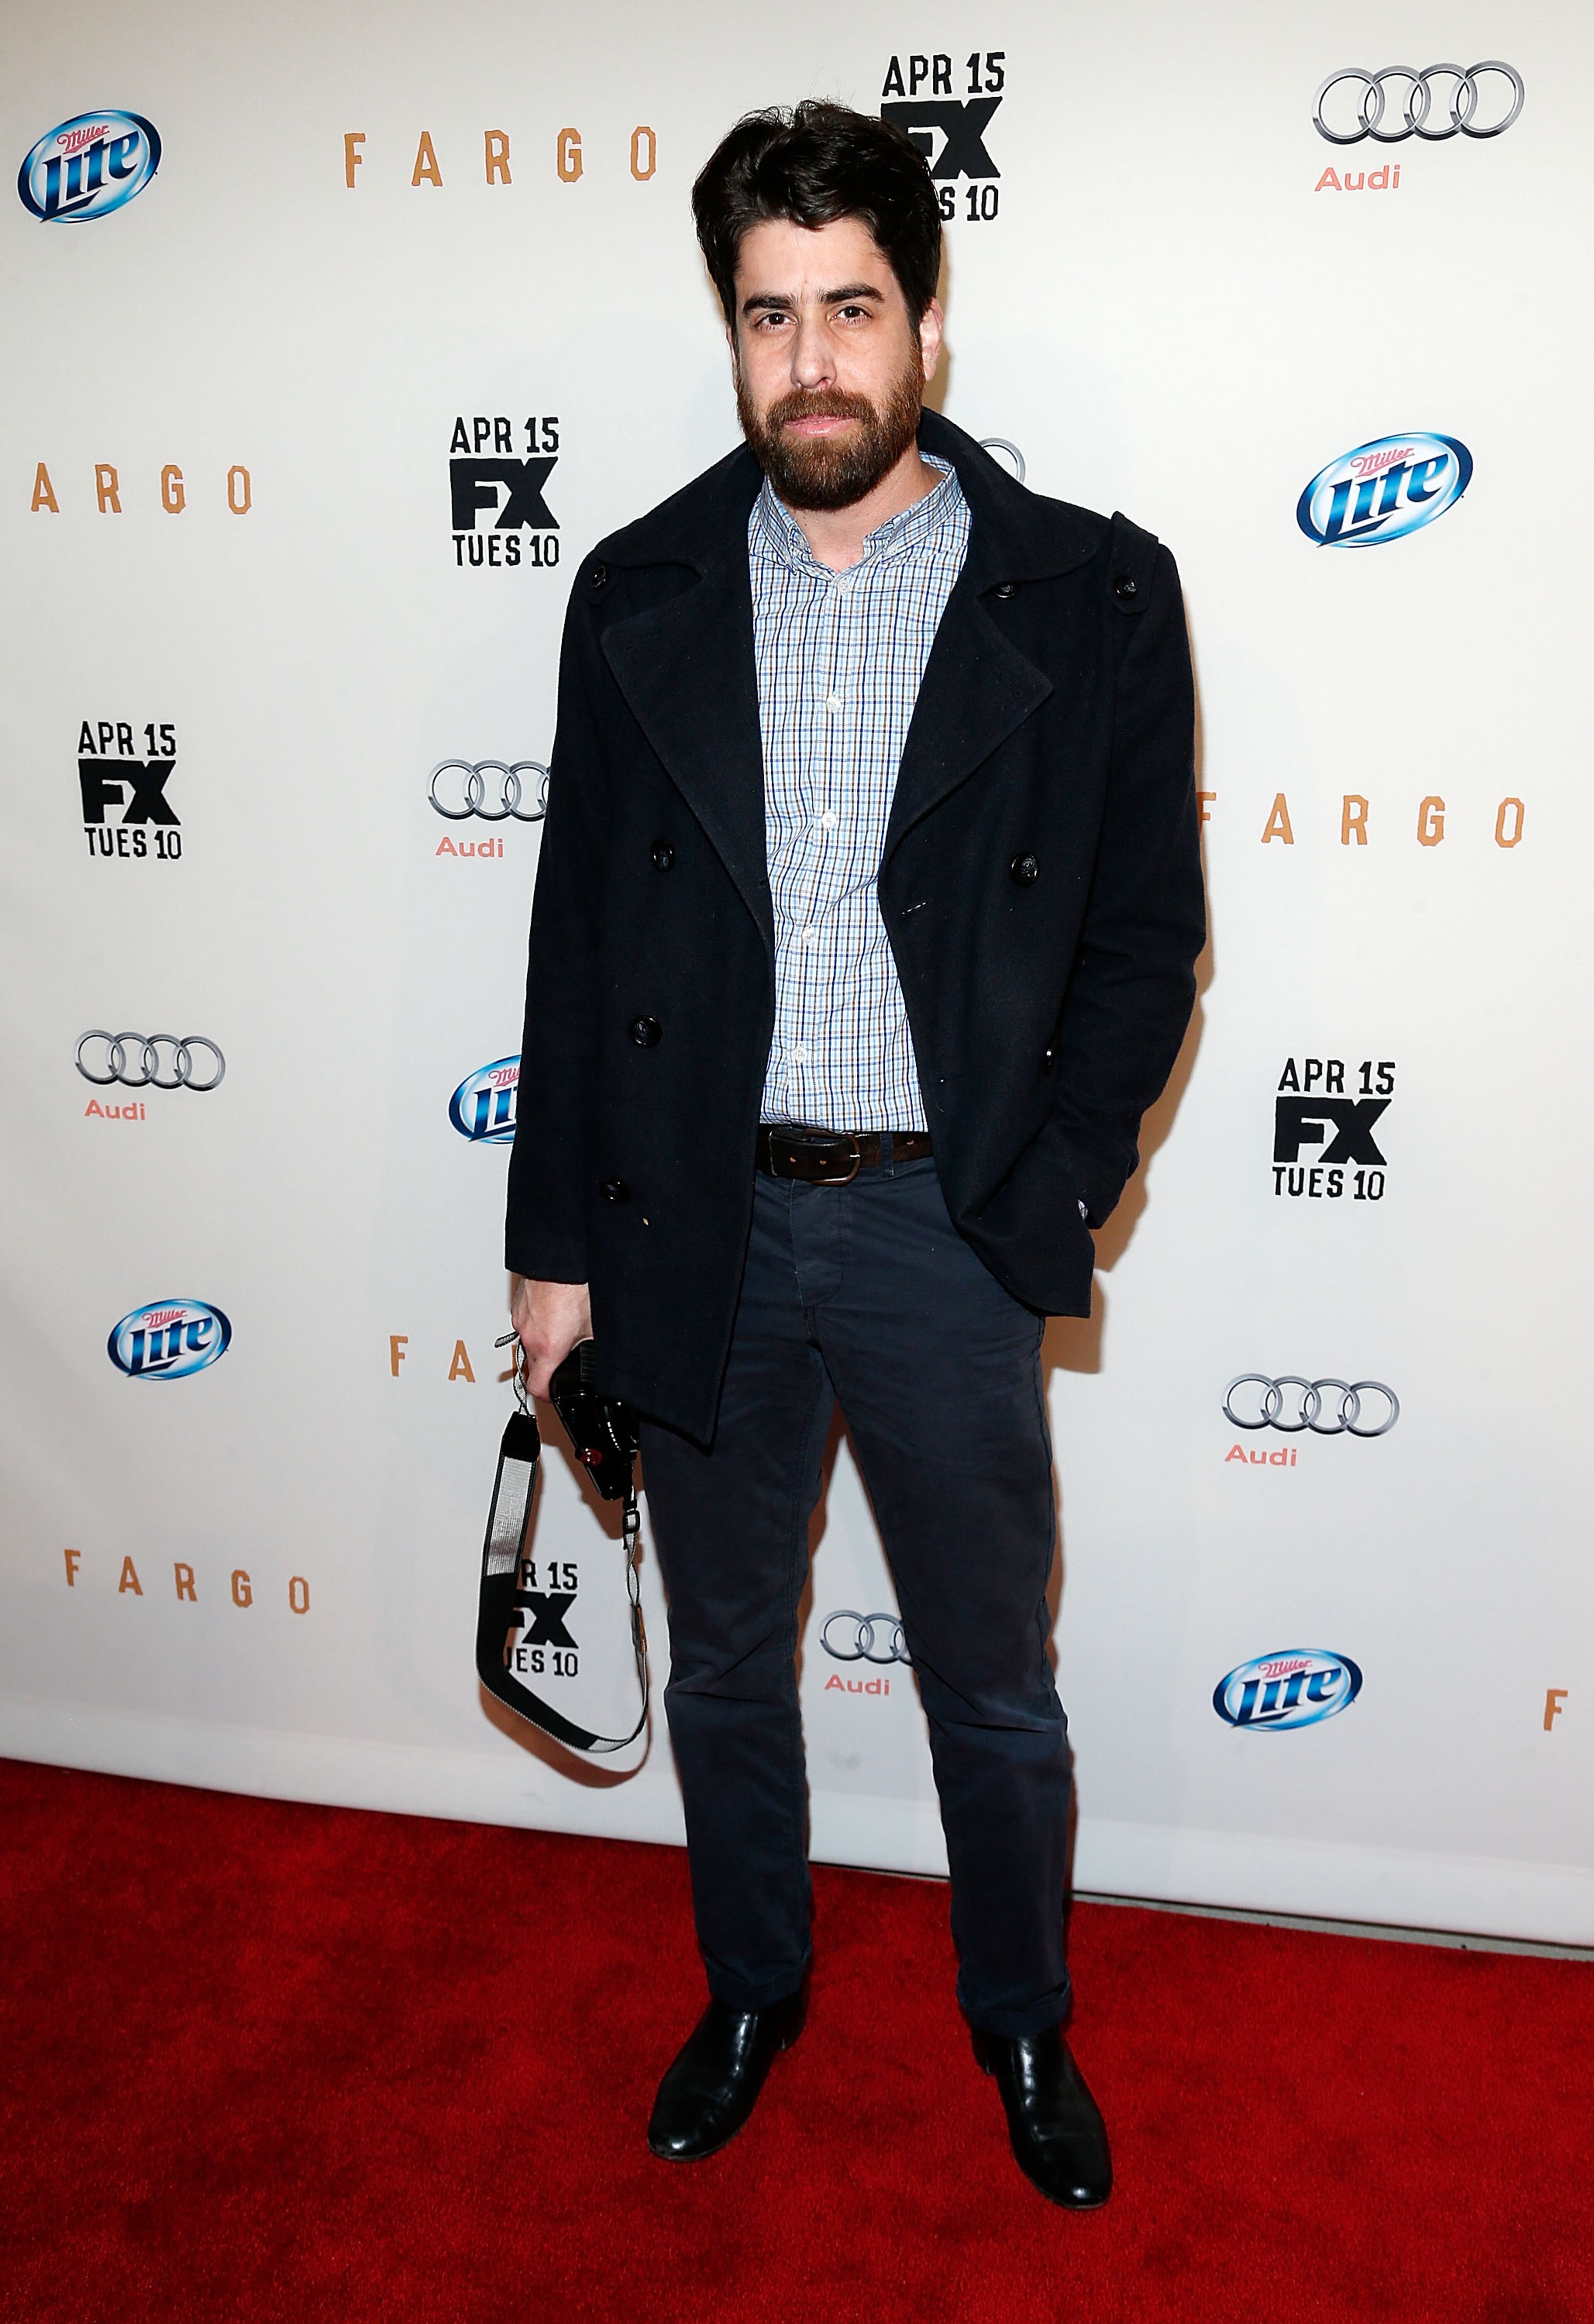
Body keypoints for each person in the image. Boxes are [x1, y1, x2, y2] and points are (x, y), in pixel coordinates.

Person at [507, 99, 1203, 2209]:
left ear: (927, 323)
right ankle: (753, 1985)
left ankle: (1020, 2014)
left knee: (992, 1683)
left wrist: (1050, 1185)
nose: (811, 360)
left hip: (942, 1222)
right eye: (767, 316)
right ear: (729, 332)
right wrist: (556, 1251)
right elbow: (575, 939)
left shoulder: (1088, 588)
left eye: (852, 310)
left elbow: (1146, 935)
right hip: (696, 1220)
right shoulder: (636, 587)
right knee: (723, 1655)